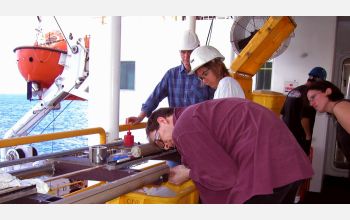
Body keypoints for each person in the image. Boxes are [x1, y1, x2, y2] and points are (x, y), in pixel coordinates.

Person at [145, 98, 313, 204]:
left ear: (162, 120)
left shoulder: (183, 128)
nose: (166, 146)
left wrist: (188, 172)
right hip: (287, 164)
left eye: (159, 139)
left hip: (264, 171)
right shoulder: (195, 113)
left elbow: (224, 177)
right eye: (161, 146)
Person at [126, 30, 215, 125]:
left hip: (199, 129)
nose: (186, 56)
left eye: (190, 52)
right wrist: (140, 117)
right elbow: (155, 96)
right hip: (176, 130)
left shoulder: (206, 75)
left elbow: (216, 104)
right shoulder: (171, 75)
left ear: (197, 50)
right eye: (183, 52)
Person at [280, 66, 327, 156]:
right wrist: (308, 136)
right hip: (299, 138)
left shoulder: (294, 91)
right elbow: (304, 117)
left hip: (287, 136)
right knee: (300, 164)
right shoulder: (310, 94)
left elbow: (282, 114)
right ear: (319, 81)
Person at [306, 80, 350, 171]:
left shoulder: (340, 107)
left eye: (313, 97)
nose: (311, 104)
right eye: (309, 101)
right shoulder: (337, 111)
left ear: (328, 91)